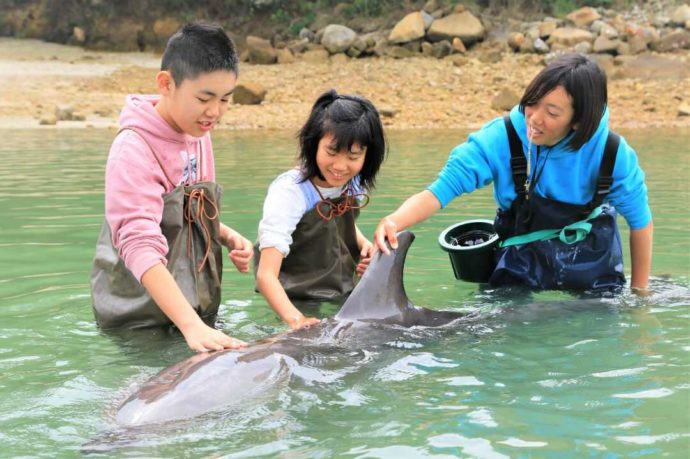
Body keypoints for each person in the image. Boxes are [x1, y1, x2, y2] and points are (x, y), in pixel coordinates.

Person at [374, 53, 653, 293]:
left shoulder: (612, 153)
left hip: (588, 259)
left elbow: (640, 221)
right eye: (532, 102)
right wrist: (394, 221)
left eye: (552, 113)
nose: (534, 118)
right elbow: (440, 190)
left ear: (579, 120)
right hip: (518, 259)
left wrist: (640, 293)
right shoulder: (502, 138)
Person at [90, 23, 253, 352]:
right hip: (140, 321)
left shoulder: (198, 132)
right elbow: (139, 244)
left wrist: (222, 232)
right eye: (204, 98)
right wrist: (191, 326)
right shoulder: (133, 150)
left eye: (225, 99)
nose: (215, 111)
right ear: (166, 83)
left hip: (194, 310)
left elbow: (182, 212)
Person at [255, 89, 387, 329]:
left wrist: (363, 244)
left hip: (343, 293)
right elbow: (266, 275)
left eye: (353, 156)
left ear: (368, 155)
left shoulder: (351, 181)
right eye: (331, 152)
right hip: (296, 302)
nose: (340, 166)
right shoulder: (290, 193)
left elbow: (335, 224)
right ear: (313, 143)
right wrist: (297, 320)